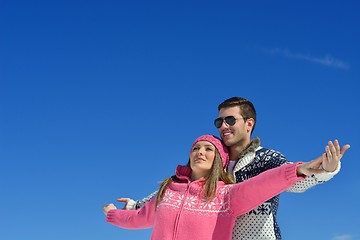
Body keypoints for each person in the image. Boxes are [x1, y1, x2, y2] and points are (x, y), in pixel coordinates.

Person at [118, 97, 351, 240]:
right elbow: (180, 191)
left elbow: (292, 178)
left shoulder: (266, 158)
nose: (223, 126)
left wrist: (326, 170)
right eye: (219, 122)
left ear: (249, 123)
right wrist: (134, 205)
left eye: (230, 120)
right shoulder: (212, 160)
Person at [103, 134, 335, 240]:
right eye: (196, 148)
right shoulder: (169, 189)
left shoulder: (226, 196)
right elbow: (139, 218)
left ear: (219, 160)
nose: (200, 152)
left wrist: (299, 169)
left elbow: (264, 184)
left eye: (208, 149)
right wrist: (113, 214)